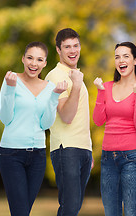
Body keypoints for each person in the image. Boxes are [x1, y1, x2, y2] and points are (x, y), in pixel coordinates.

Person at [0, 41, 67, 216]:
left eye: (39, 59)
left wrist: (54, 97)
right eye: (30, 58)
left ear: (45, 63)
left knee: (23, 212)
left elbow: (45, 124)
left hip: (37, 156)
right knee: (20, 212)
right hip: (11, 154)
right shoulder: (11, 80)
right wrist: (10, 89)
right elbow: (5, 118)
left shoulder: (50, 88)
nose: (33, 64)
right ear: (23, 59)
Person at [93, 42, 136, 216]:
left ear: (135, 60)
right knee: (111, 212)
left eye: (126, 56)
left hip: (133, 158)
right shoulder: (108, 86)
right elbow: (98, 121)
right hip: (108, 157)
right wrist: (100, 92)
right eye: (117, 56)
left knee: (132, 212)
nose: (121, 60)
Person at [45, 28, 93, 216]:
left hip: (81, 149)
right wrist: (77, 86)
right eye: (67, 47)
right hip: (66, 149)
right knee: (70, 207)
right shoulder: (55, 76)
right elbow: (66, 116)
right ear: (58, 50)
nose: (73, 51)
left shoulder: (75, 75)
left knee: (74, 207)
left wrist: (88, 149)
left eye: (76, 45)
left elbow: (81, 118)